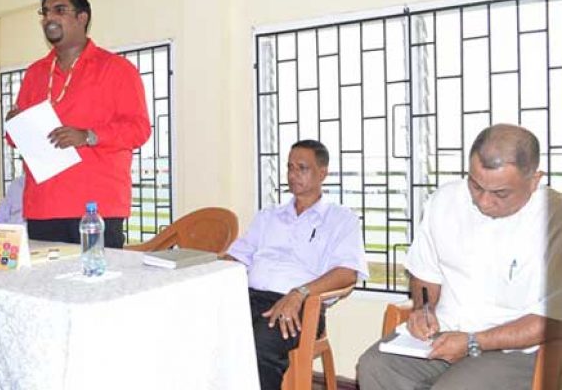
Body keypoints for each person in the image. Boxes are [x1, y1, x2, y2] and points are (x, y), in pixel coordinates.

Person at [357, 124, 562, 390]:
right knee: (374, 366)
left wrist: (474, 341)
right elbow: (424, 275)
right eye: (476, 186)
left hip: (520, 350)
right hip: (446, 332)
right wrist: (423, 310)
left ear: (535, 180)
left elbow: (554, 320)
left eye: (501, 193)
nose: (484, 202)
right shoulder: (444, 201)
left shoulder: (554, 219)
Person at [5, 0, 150, 248]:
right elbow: (14, 140)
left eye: (59, 10)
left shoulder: (117, 69)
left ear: (82, 18)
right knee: (43, 289)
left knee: (97, 288)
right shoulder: (35, 73)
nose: (49, 18)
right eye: (45, 12)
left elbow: (139, 129)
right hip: (42, 206)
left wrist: (88, 136)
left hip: (95, 208)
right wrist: (17, 124)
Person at [224, 139, 369, 390]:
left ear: (323, 173)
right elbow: (237, 257)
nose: (292, 175)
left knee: (259, 343)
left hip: (301, 306)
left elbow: (347, 273)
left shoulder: (340, 220)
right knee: (204, 330)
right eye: (290, 167)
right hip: (248, 298)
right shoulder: (268, 216)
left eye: (301, 168)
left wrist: (299, 293)